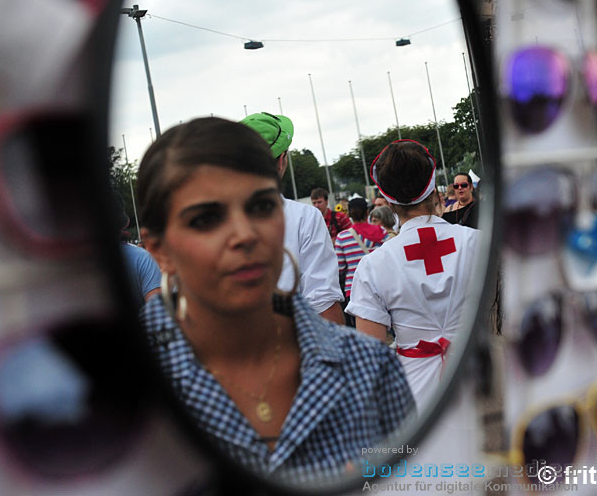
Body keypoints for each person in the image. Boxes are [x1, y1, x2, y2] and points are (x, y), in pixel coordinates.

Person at [136, 118, 415, 481]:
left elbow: (415, 479)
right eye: (207, 218)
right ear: (160, 250)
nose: (244, 235)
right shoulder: (128, 391)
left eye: (262, 207)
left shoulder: (370, 367)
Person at [346, 139, 479, 408]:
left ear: (389, 201)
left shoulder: (373, 266)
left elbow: (371, 361)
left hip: (414, 402)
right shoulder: (476, 242)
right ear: (434, 188)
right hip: (481, 380)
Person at [241, 112, 345, 324]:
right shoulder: (305, 217)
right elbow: (323, 302)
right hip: (292, 346)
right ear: (281, 162)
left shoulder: (209, 223)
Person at [334, 197, 387, 327]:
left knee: (362, 330)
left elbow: (339, 268)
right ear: (367, 213)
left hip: (354, 289)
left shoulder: (342, 237)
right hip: (382, 285)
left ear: (350, 215)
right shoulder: (382, 232)